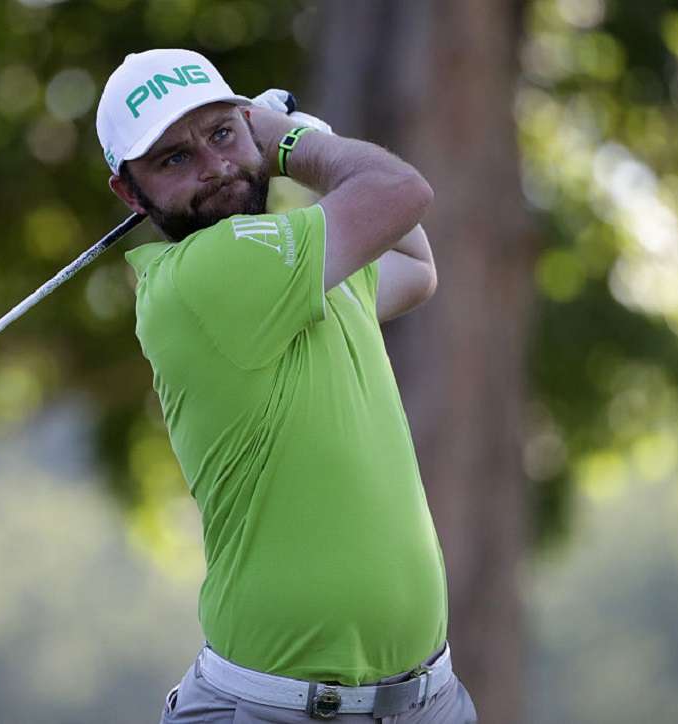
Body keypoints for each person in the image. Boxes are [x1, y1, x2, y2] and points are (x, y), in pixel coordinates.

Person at [95, 48, 477, 724]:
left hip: (427, 702)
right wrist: (289, 140)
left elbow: (414, 265)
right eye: (173, 159)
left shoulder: (297, 266)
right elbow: (400, 193)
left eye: (220, 134)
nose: (214, 167)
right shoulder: (202, 275)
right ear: (129, 193)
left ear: (243, 122)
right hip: (276, 712)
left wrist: (286, 140)